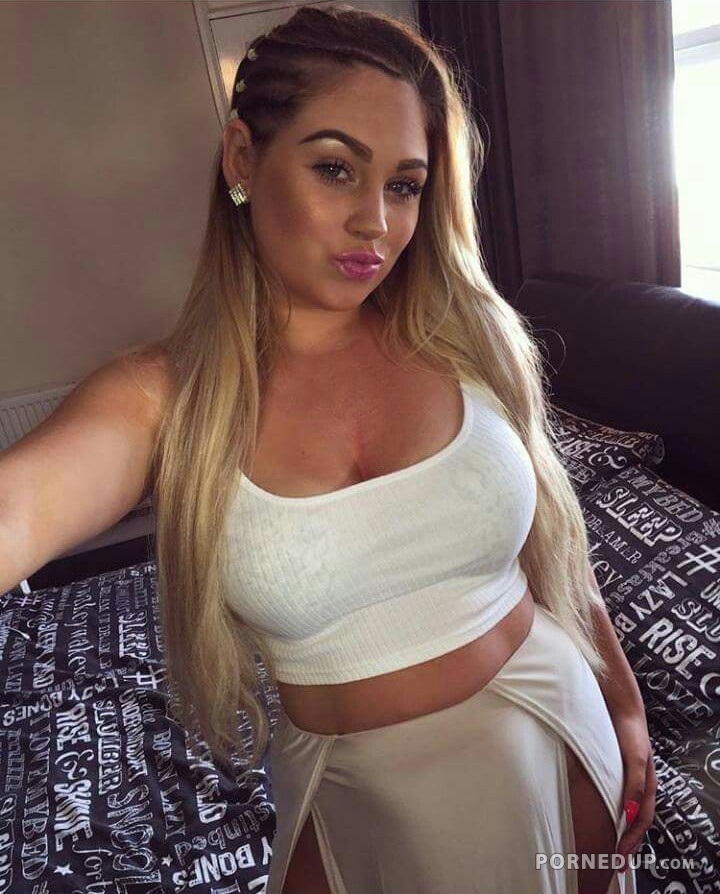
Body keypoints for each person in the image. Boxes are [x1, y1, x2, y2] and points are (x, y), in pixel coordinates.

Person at [0, 5, 654, 893]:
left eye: (405, 185)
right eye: (336, 169)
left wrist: (624, 702)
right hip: (366, 802)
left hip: (563, 737)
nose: (375, 223)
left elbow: (555, 547)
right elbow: (17, 512)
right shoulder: (167, 398)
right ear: (242, 159)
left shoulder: (467, 339)